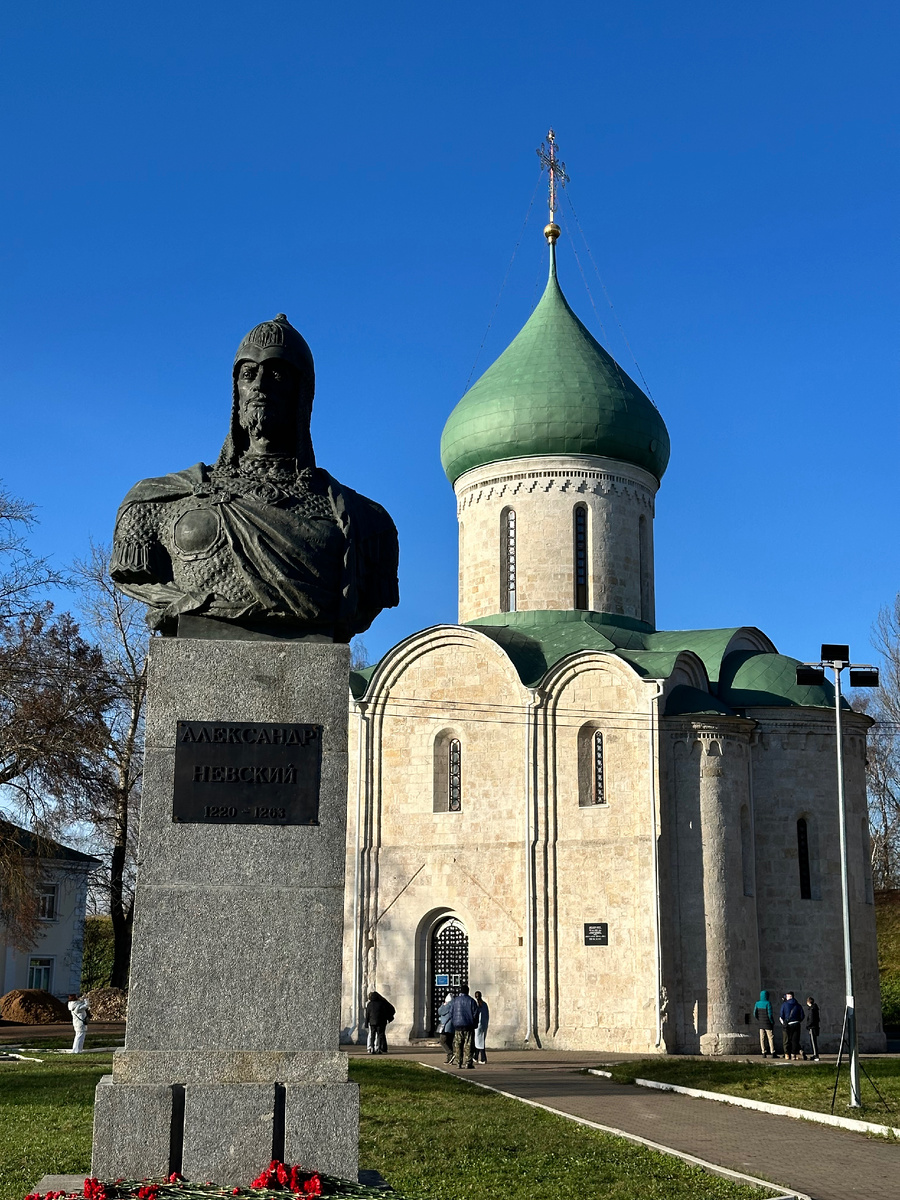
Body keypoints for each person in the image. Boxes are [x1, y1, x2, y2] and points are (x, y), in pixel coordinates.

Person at [111, 314, 399, 640]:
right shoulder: (159, 500)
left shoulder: (365, 521)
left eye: (276, 374)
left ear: (302, 393)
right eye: (249, 374)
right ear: (237, 391)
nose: (259, 385)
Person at [449, 985, 478, 1069]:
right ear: (468, 991)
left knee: (458, 1044)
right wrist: (474, 1024)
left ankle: (458, 1062)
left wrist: (454, 1022)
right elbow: (475, 1014)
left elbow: (451, 1013)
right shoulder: (471, 1001)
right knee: (468, 1045)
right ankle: (468, 1062)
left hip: (458, 1026)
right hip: (469, 1026)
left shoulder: (455, 1001)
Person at [364, 990, 395, 1054]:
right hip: (380, 1022)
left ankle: (371, 1048)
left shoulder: (369, 1004)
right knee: (380, 1035)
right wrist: (389, 1019)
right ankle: (379, 1048)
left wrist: (366, 1023)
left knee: (372, 1035)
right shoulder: (381, 1003)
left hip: (372, 1022)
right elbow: (384, 1013)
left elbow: (367, 1014)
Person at [779, 991, 804, 1060]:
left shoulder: (784, 1005)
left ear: (788, 997)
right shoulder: (798, 1005)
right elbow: (802, 1016)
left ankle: (787, 1054)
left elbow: (781, 1016)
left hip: (788, 1025)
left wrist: (784, 1023)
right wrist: (798, 1021)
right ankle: (793, 1055)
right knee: (795, 1040)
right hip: (796, 1024)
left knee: (786, 1039)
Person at [753, 989, 776, 1058]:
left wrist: (759, 1019)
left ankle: (763, 1052)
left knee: (762, 1038)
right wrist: (772, 1022)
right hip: (768, 1024)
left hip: (761, 1023)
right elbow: (770, 1015)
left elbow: (754, 1013)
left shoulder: (757, 1003)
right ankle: (772, 1052)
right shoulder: (768, 1003)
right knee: (770, 1038)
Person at [437, 992, 454, 1063]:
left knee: (442, 1041)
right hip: (452, 1027)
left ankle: (450, 1054)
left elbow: (440, 1011)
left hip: (445, 1027)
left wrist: (443, 1005)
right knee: (449, 1042)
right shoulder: (454, 1005)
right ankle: (449, 1058)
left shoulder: (447, 1005)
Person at [473, 991, 489, 1064]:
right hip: (484, 1025)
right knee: (479, 1041)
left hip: (478, 1026)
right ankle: (475, 1056)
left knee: (479, 1042)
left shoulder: (476, 1005)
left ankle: (483, 1058)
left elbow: (475, 1015)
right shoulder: (485, 1004)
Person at [805, 996, 821, 1061]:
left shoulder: (812, 1009)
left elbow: (811, 1019)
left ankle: (815, 1055)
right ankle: (815, 1054)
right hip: (815, 1026)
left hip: (812, 1027)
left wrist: (808, 1026)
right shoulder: (815, 1009)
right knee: (814, 1041)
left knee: (813, 1041)